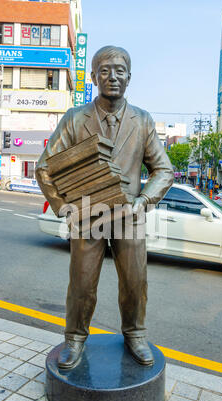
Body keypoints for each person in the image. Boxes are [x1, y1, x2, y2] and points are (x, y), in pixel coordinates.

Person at [36, 46, 174, 369]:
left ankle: (135, 333)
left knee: (135, 281)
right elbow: (44, 167)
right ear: (95, 76)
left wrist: (143, 202)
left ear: (129, 77)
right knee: (82, 283)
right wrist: (63, 206)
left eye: (119, 70)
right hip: (87, 215)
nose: (113, 76)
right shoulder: (75, 119)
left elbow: (163, 170)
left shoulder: (142, 121)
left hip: (129, 216)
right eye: (105, 70)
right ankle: (74, 338)